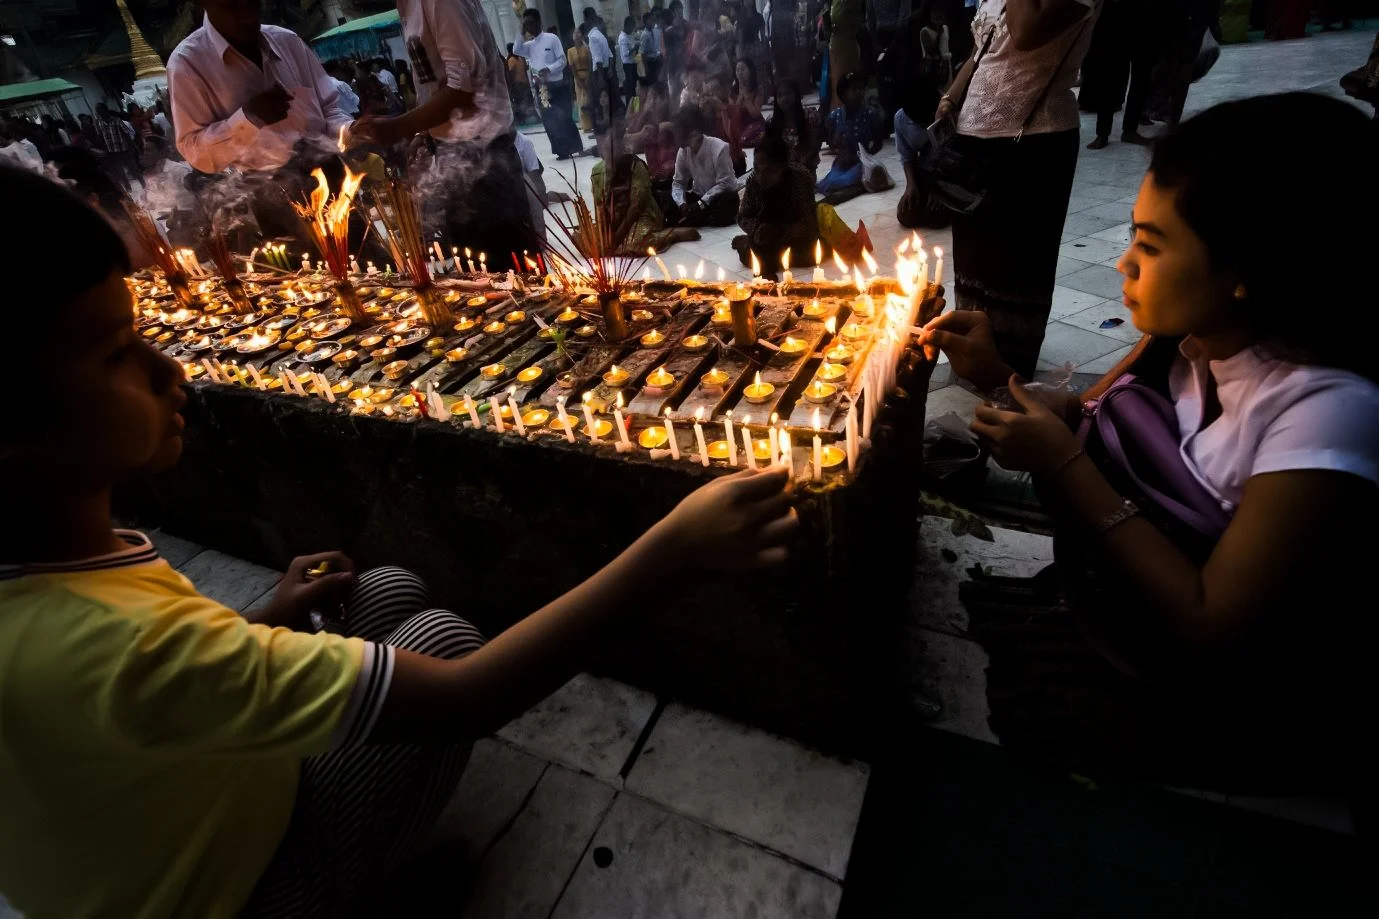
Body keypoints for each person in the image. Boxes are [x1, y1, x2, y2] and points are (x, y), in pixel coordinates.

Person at [0, 165, 797, 917]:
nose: (166, 367)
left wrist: (265, 617)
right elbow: (471, 697)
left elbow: (140, 700)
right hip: (228, 891)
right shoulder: (119, 646)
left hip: (172, 812)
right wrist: (674, 547)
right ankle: (346, 893)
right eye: (114, 354)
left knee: (380, 590)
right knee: (446, 641)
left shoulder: (47, 573)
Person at [920, 93, 1379, 791]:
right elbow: (1084, 418)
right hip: (1116, 595)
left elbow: (1210, 620)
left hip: (1215, 680)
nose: (1122, 265)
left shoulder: (1324, 412)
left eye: (1150, 245)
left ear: (1245, 271)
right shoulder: (1183, 340)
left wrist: (1063, 464)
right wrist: (995, 377)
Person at [937, 0, 1099, 378]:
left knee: (1018, 262)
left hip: (1034, 143)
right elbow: (981, 51)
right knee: (976, 260)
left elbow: (1025, 34)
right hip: (974, 139)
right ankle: (972, 350)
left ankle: (1009, 362)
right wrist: (950, 97)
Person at [352, 0, 539, 257]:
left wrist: (398, 128)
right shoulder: (409, 5)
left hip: (484, 162)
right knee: (478, 271)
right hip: (454, 158)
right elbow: (437, 83)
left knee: (510, 272)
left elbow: (464, 90)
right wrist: (427, 132)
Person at [166, 1, 353, 175]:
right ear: (202, 4)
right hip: (266, 193)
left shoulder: (288, 41)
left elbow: (329, 109)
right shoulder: (187, 64)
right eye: (231, 7)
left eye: (253, 4)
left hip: (332, 174)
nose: (247, 16)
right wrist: (247, 119)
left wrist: (353, 130)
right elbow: (195, 151)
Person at [592, 119, 700, 255]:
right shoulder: (597, 171)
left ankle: (671, 235)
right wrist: (605, 235)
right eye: (602, 145)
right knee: (584, 238)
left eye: (610, 146)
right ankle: (618, 246)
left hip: (641, 218)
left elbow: (636, 208)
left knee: (637, 243)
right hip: (614, 221)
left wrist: (616, 238)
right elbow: (600, 207)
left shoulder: (634, 166)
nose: (605, 149)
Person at [733, 134, 820, 275]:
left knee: (809, 255)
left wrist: (780, 231)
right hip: (764, 235)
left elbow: (809, 223)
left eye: (769, 170)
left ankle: (764, 256)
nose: (761, 176)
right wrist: (757, 229)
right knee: (749, 255)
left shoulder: (801, 178)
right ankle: (753, 248)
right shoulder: (753, 181)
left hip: (793, 236)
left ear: (784, 166)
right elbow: (742, 217)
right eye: (756, 169)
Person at [1079, 0, 1161, 148]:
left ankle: (1129, 129)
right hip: (1114, 18)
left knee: (1140, 78)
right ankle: (1103, 133)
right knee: (1110, 77)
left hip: (1146, 18)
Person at [514, 8, 584, 159]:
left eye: (531, 23)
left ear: (539, 22)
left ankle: (576, 147)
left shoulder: (551, 38)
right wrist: (521, 31)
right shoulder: (530, 45)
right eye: (526, 25)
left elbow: (562, 60)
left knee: (564, 117)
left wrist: (549, 69)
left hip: (557, 85)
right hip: (541, 89)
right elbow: (516, 49)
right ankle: (561, 151)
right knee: (549, 121)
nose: (529, 27)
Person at [817, 71, 889, 198]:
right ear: (843, 94)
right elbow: (832, 144)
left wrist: (864, 156)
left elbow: (878, 144)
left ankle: (858, 183)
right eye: (854, 89)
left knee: (840, 182)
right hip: (842, 163)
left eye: (861, 88)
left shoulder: (871, 114)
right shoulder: (834, 117)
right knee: (828, 183)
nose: (859, 92)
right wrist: (838, 148)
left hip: (862, 163)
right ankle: (857, 185)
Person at [668, 104, 739, 227]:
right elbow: (678, 183)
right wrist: (682, 204)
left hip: (719, 197)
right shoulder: (683, 151)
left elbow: (725, 184)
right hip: (699, 196)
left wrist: (701, 204)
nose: (675, 136)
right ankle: (698, 216)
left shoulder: (719, 148)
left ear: (694, 132)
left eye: (678, 131)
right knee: (669, 202)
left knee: (727, 202)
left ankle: (700, 217)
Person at [765, 78, 824, 172]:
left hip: (805, 170)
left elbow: (815, 148)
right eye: (779, 95)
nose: (784, 98)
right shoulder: (771, 121)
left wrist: (797, 169)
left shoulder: (810, 117)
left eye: (788, 93)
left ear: (796, 94)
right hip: (781, 171)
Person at [93, 102, 141, 189]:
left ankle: (143, 183)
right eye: (97, 111)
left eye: (99, 110)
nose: (98, 112)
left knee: (133, 168)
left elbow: (126, 134)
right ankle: (128, 187)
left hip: (124, 149)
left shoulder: (116, 120)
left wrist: (131, 146)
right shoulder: (98, 123)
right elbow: (100, 137)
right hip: (112, 152)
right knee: (120, 171)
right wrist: (105, 151)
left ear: (105, 110)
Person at [828, 0, 865, 110]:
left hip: (847, 49)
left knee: (847, 87)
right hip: (836, 47)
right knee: (838, 87)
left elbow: (844, 20)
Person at [586, 14, 621, 122]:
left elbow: (598, 59)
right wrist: (610, 69)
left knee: (601, 100)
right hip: (607, 70)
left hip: (599, 71)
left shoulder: (593, 37)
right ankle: (614, 122)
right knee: (609, 98)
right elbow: (610, 56)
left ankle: (605, 126)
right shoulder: (602, 36)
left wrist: (600, 77)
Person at [728, 58, 767, 150]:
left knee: (754, 132)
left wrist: (746, 94)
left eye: (743, 69)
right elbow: (733, 114)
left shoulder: (757, 90)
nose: (739, 73)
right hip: (739, 125)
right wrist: (741, 95)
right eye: (737, 70)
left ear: (750, 71)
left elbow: (755, 114)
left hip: (754, 124)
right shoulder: (733, 91)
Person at [568, 28, 595, 131]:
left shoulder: (586, 48)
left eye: (578, 32)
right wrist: (578, 80)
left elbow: (590, 63)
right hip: (577, 77)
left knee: (589, 100)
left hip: (587, 76)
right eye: (575, 32)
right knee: (581, 101)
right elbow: (571, 66)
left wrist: (588, 77)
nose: (577, 34)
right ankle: (586, 126)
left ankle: (593, 124)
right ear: (572, 36)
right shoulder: (570, 51)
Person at [664, 2, 690, 107]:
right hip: (674, 64)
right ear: (673, 12)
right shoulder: (669, 28)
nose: (680, 11)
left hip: (685, 62)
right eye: (678, 9)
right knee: (674, 91)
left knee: (686, 90)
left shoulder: (686, 24)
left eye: (681, 8)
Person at [617, 15, 640, 101]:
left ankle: (634, 104)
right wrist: (635, 48)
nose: (632, 30)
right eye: (632, 27)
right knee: (630, 87)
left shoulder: (629, 35)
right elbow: (625, 53)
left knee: (634, 86)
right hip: (628, 65)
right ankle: (630, 105)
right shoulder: (623, 38)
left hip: (633, 63)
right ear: (628, 25)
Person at [641, 11, 664, 86]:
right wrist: (646, 67)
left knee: (658, 82)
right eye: (651, 20)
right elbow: (642, 53)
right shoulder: (645, 35)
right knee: (653, 84)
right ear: (647, 21)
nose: (653, 22)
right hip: (650, 62)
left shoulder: (653, 31)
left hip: (656, 60)